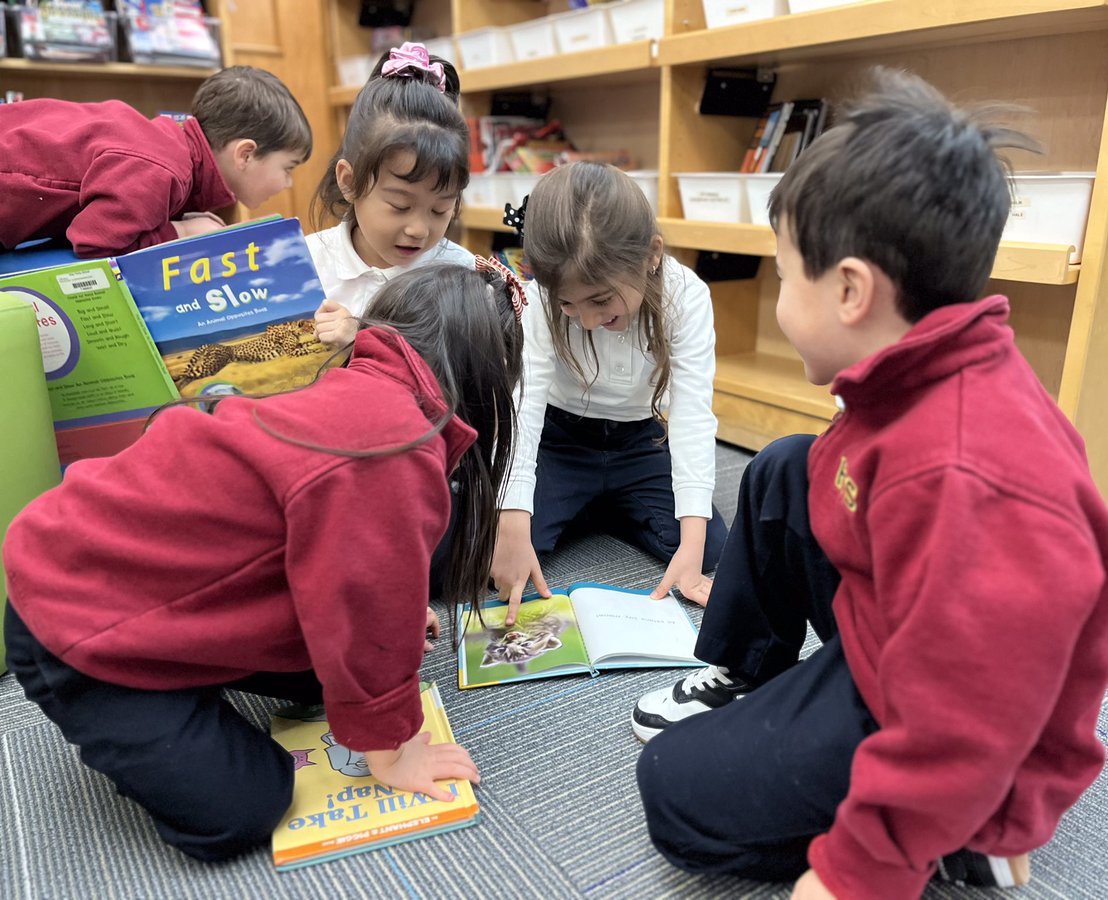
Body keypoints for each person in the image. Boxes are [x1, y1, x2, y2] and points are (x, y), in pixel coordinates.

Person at [630, 68, 1108, 899]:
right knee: (784, 468)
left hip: (957, 719)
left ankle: (970, 834)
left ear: (852, 290)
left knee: (674, 790)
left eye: (784, 277)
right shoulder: (920, 369)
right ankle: (748, 670)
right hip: (896, 633)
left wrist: (859, 872)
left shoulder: (965, 473)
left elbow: (966, 715)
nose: (778, 300)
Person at [2, 260, 526, 862]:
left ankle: (180, 675)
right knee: (245, 808)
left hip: (138, 578)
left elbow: (348, 561)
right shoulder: (391, 442)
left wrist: (399, 613)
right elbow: (365, 602)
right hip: (72, 612)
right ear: (487, 375)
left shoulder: (372, 393)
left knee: (338, 671)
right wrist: (393, 751)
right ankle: (134, 699)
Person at [490, 162, 728, 624]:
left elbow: (693, 415)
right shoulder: (537, 301)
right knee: (494, 552)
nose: (587, 320)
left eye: (600, 300)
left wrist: (693, 539)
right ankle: (588, 502)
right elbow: (524, 405)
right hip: (559, 440)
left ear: (651, 255)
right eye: (567, 303)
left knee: (710, 548)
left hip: (639, 441)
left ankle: (593, 504)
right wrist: (513, 517)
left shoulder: (687, 296)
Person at [0, 66, 312, 258]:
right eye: (288, 168)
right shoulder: (163, 168)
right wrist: (182, 233)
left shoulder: (171, 150)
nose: (288, 183)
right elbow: (95, 243)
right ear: (245, 154)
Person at [308, 43, 475, 349]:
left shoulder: (461, 274)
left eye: (440, 210)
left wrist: (362, 340)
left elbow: (464, 370)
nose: (418, 230)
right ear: (349, 182)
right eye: (400, 205)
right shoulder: (309, 265)